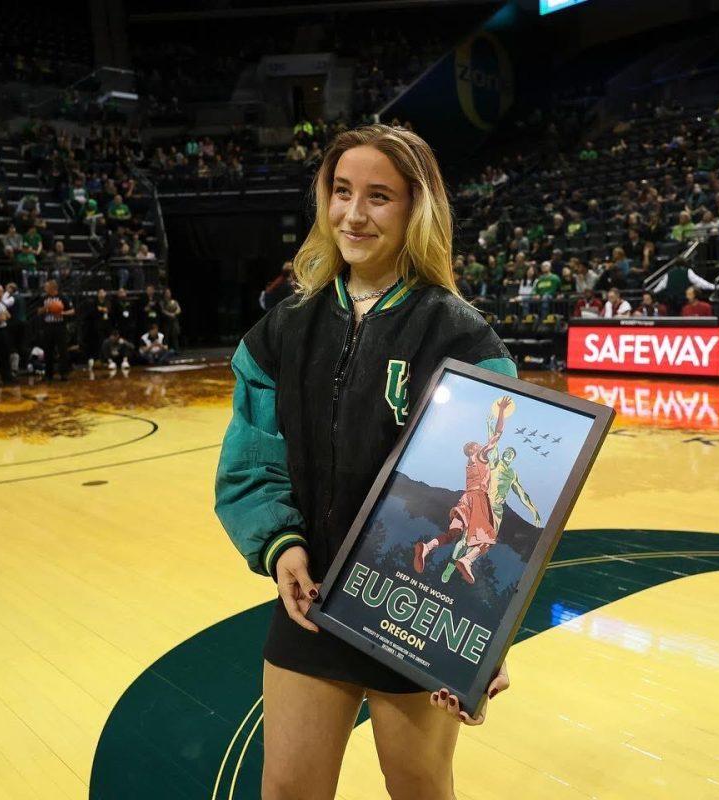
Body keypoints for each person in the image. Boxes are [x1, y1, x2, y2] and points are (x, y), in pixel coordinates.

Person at [214, 124, 515, 800]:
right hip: (311, 598)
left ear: (416, 209)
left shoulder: (461, 335)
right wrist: (280, 545)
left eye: (379, 197)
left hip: (412, 605)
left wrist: (480, 631)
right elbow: (251, 460)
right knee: (287, 789)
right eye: (341, 192)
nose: (353, 214)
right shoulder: (284, 328)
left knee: (418, 788)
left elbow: (486, 500)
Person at [413, 398, 511, 584]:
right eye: (478, 444)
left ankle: (427, 547)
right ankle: (467, 560)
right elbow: (498, 434)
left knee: (452, 534)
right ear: (474, 448)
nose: (481, 445)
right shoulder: (481, 455)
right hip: (478, 498)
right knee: (487, 539)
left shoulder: (469, 463)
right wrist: (501, 411)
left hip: (465, 499)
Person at [39, 279, 75, 380]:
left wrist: (62, 313)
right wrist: (46, 308)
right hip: (48, 327)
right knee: (48, 351)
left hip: (60, 327)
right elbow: (38, 311)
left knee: (62, 351)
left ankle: (64, 373)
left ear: (52, 287)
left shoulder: (63, 297)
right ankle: (48, 374)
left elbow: (72, 311)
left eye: (46, 287)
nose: (45, 288)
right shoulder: (44, 298)